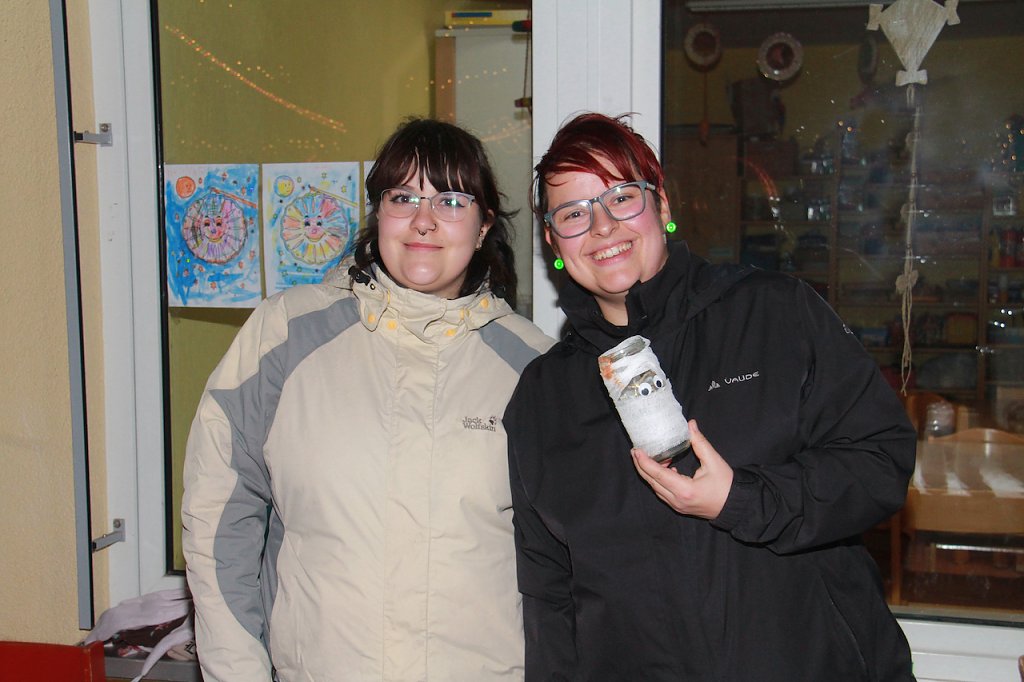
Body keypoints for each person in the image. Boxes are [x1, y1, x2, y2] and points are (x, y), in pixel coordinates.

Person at [504, 112, 917, 681]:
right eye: (573, 213)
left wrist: (742, 500)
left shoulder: (774, 314)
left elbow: (880, 462)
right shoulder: (543, 398)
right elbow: (549, 594)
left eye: (621, 197)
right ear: (553, 242)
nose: (602, 227)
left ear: (661, 206)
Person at [182, 117, 553, 681]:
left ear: (483, 227)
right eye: (402, 197)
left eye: (451, 200)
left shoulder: (534, 369)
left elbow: (573, 565)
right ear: (379, 214)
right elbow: (217, 517)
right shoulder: (286, 336)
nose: (424, 220)